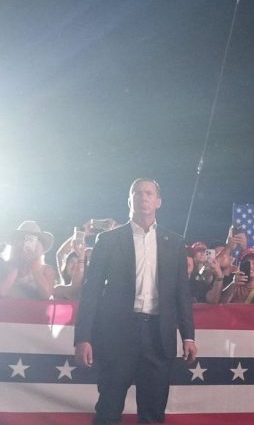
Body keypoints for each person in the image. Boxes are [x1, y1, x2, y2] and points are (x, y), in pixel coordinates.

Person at [73, 179, 197, 425]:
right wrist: (83, 337)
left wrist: (189, 336)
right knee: (108, 409)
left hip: (158, 336)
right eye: (137, 193)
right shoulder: (108, 241)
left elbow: (182, 293)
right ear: (129, 200)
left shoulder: (174, 242)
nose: (143, 197)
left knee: (152, 414)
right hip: (118, 335)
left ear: (158, 201)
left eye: (149, 193)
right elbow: (92, 292)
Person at [0, 220, 57, 300]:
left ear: (39, 245)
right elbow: (2, 292)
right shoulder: (4, 266)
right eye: (23, 239)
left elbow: (46, 296)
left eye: (32, 240)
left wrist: (34, 265)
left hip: (36, 312)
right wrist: (16, 263)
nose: (26, 243)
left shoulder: (47, 270)